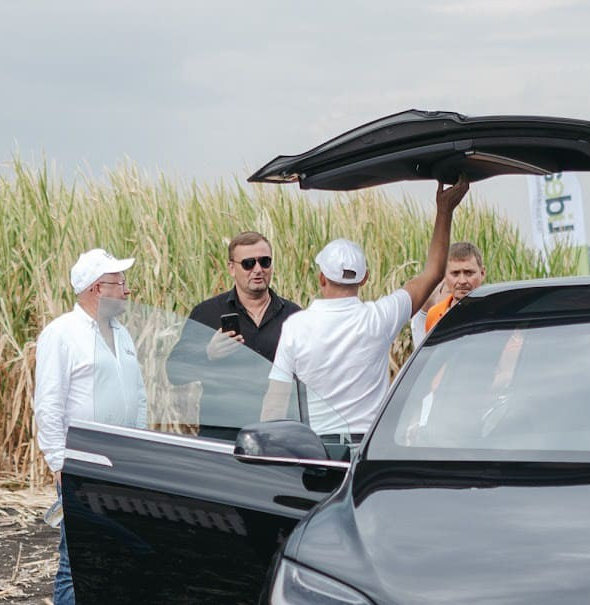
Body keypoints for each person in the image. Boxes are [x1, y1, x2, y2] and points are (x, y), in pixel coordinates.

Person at [261, 180, 470, 443]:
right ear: (365, 278)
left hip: (317, 448)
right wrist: (444, 211)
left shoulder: (295, 326)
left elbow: (275, 402)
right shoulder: (379, 318)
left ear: (321, 278)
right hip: (369, 447)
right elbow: (434, 272)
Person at [33, 249, 147, 605]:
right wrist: (59, 463)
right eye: (121, 283)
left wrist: (139, 453)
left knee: (114, 561)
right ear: (98, 288)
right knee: (74, 568)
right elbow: (49, 403)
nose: (127, 291)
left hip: (122, 463)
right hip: (83, 463)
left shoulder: (121, 334)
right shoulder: (61, 334)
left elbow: (136, 397)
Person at [164, 231, 299, 436]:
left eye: (264, 262)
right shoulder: (208, 313)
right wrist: (208, 353)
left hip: (278, 435)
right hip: (223, 434)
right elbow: (174, 371)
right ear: (231, 268)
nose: (258, 270)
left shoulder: (294, 316)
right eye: (248, 263)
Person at [414, 241, 486, 338]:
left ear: (482, 273)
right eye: (455, 274)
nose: (462, 281)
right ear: (444, 276)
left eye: (469, 273)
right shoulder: (434, 314)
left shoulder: (495, 312)